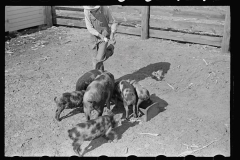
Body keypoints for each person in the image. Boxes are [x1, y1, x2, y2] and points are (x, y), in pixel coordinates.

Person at [83, 6, 118, 71]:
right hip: (93, 36)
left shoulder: (105, 9)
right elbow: (89, 27)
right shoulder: (86, 11)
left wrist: (112, 34)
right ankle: (99, 76)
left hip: (104, 35)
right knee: (94, 59)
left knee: (99, 59)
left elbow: (113, 22)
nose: (91, 10)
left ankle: (110, 50)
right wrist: (99, 35)